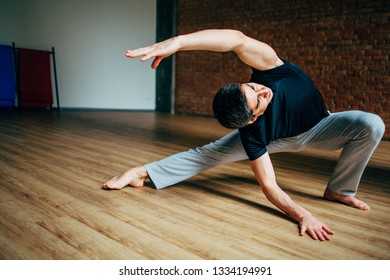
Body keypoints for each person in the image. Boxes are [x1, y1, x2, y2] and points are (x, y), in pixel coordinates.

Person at [103, 29, 385, 241]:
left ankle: (339, 190)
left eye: (251, 86)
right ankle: (141, 172)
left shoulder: (271, 70)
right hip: (276, 138)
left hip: (322, 126)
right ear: (252, 118)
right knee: (209, 154)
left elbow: (237, 40)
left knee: (371, 124)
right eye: (259, 100)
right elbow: (270, 187)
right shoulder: (253, 132)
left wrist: (178, 43)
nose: (264, 91)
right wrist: (303, 214)